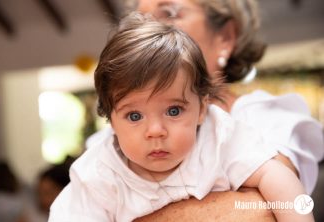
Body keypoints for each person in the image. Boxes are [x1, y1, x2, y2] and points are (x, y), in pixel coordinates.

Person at [48, 13, 313, 222]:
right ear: (111, 121)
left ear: (201, 109)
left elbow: (276, 177)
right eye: (134, 115)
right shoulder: (97, 176)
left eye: (173, 111)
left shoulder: (219, 138)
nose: (155, 130)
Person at [118, 0, 324, 220]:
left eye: (169, 13)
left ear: (225, 37)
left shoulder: (266, 120)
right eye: (140, 22)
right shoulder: (110, 141)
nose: (150, 30)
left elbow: (258, 213)